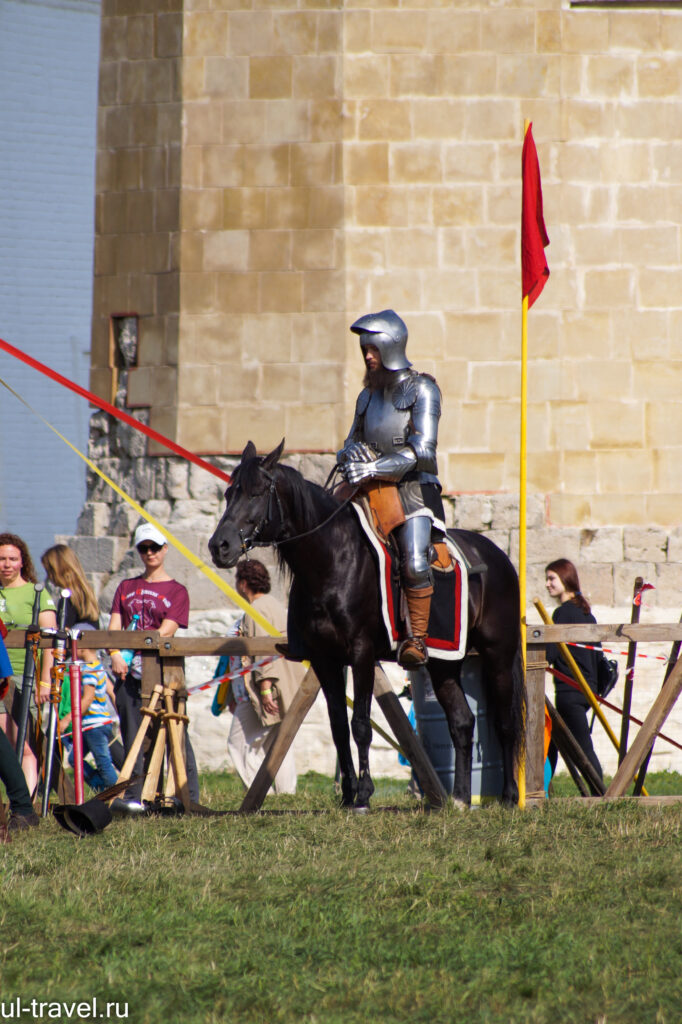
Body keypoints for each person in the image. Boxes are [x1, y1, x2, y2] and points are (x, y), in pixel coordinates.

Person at [336, 309, 443, 667]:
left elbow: (423, 450)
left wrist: (373, 464)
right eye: (365, 348)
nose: (367, 355)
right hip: (368, 489)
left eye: (373, 348)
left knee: (414, 562)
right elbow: (349, 440)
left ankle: (417, 639)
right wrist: (351, 454)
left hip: (413, 491)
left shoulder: (422, 389)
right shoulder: (366, 397)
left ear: (391, 346)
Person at [109, 522, 199, 809]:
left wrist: (132, 647)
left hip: (162, 672)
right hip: (129, 673)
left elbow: (167, 629)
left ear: (165, 549)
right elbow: (113, 626)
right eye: (144, 548)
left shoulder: (177, 590)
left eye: (155, 547)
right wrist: (114, 653)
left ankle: (186, 796)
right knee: (133, 735)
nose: (150, 553)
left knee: (175, 732)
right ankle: (136, 797)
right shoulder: (126, 587)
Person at [226, 559, 304, 795]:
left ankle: (258, 794)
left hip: (269, 688)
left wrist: (266, 689)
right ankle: (286, 793)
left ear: (243, 583)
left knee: (238, 743)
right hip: (289, 687)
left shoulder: (256, 610)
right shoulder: (277, 605)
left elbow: (264, 651)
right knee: (278, 744)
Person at [0, 533, 56, 794]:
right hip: (0, 676)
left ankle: (27, 803)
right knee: (5, 745)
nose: (6, 564)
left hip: (25, 675)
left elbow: (49, 641)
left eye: (12, 558)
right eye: (1, 559)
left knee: (24, 744)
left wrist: (45, 681)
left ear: (22, 562)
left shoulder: (36, 592)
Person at [545, 558, 603, 786]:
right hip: (587, 691)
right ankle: (540, 791)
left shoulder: (562, 613)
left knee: (583, 750)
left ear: (566, 579)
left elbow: (549, 655)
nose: (547, 584)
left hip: (570, 692)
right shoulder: (587, 614)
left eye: (552, 579)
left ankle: (604, 796)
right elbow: (598, 658)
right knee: (551, 744)